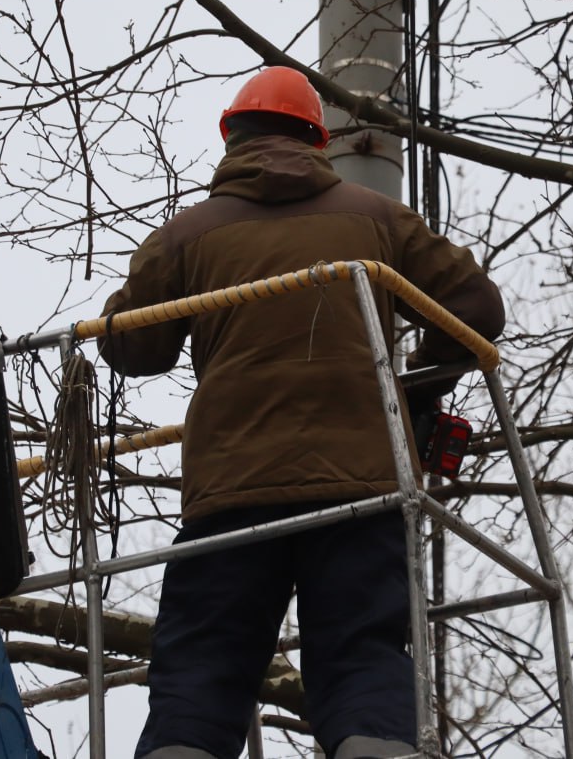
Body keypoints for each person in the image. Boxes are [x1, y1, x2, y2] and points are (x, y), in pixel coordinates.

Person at [98, 66, 505, 759]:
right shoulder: (379, 219)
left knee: (202, 664)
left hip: (231, 492)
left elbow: (134, 346)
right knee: (362, 652)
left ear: (232, 138)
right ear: (319, 141)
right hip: (362, 485)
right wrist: (415, 391)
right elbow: (478, 310)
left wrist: (121, 314)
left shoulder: (189, 234)